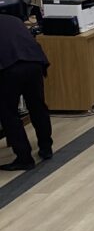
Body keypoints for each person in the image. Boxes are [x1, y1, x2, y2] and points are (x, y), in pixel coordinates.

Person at [0, 14, 53, 170]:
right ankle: (46, 147)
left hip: (9, 68)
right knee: (38, 106)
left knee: (8, 113)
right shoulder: (13, 19)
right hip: (34, 62)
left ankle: (24, 158)